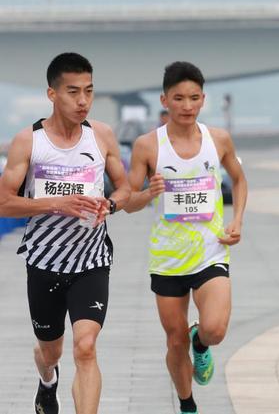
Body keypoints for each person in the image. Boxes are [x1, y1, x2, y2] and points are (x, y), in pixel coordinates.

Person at [0, 52, 130, 414]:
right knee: (51, 351)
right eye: (73, 92)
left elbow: (125, 189)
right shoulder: (29, 142)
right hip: (44, 263)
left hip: (91, 261)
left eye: (89, 91)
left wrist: (111, 205)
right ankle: (47, 380)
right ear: (52, 94)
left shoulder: (101, 136)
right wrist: (57, 204)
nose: (83, 101)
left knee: (85, 347)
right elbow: (4, 203)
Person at [125, 61, 247, 414]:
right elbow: (128, 201)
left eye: (194, 98)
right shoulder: (148, 146)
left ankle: (202, 342)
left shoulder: (218, 140)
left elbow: (239, 180)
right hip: (168, 259)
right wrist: (148, 194)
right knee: (174, 340)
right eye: (178, 98)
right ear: (165, 100)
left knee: (215, 329)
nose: (187, 105)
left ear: (203, 99)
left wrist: (237, 220)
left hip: (211, 251)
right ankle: (187, 404)